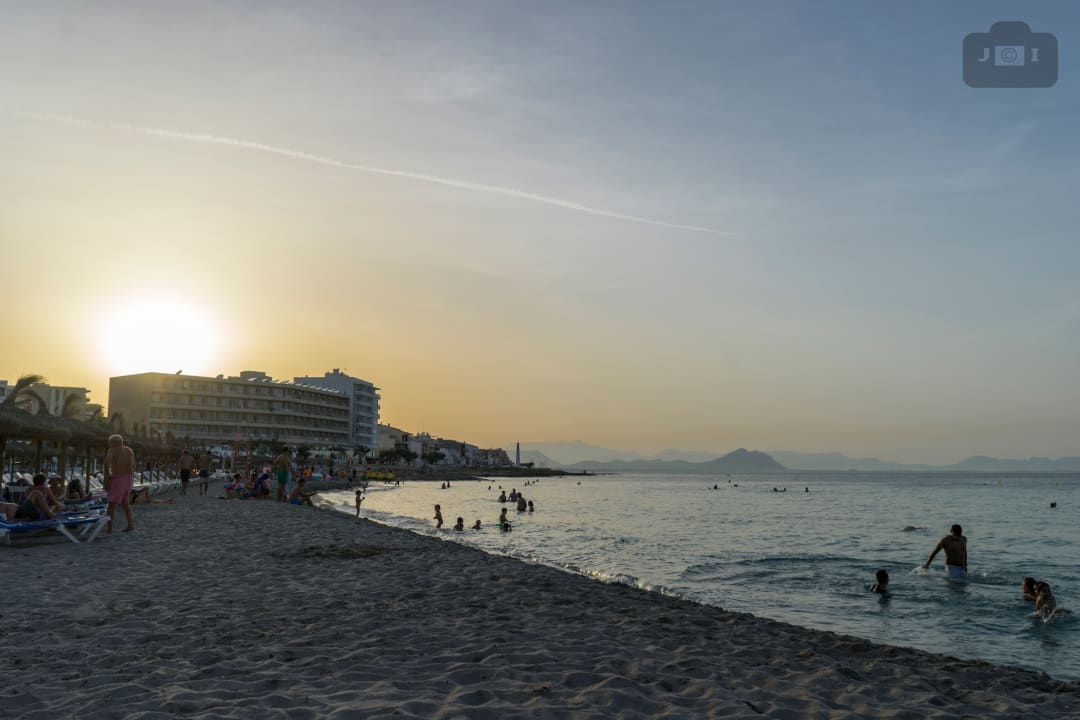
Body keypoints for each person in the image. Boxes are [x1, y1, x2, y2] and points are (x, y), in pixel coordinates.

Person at [104, 434, 136, 533]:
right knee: (125, 503)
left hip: (118, 478)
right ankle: (130, 525)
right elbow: (133, 466)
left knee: (111, 504)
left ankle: (109, 528)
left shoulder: (112, 450)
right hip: (129, 478)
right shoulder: (129, 450)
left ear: (112, 443)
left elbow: (106, 463)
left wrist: (108, 477)